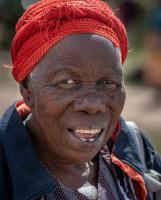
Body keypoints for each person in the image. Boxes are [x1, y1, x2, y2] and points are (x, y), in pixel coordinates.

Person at [0, 0, 161, 200]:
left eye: (109, 83)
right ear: (27, 89)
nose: (93, 105)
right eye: (66, 82)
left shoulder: (135, 148)